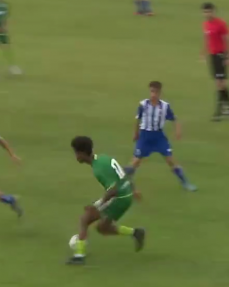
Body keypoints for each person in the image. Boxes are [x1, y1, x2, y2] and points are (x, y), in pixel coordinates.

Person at [67, 136, 145, 265]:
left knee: (85, 219)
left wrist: (97, 204)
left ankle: (79, 256)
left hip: (119, 197)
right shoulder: (103, 158)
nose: (75, 156)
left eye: (75, 153)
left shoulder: (98, 169)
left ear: (80, 153)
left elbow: (113, 190)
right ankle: (136, 233)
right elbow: (122, 174)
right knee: (103, 228)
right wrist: (133, 188)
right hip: (126, 195)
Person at [128, 81, 196, 191]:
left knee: (170, 160)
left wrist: (177, 131)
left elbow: (174, 119)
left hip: (159, 137)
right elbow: (138, 119)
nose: (153, 94)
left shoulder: (165, 106)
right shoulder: (143, 105)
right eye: (151, 91)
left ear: (160, 93)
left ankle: (185, 182)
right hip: (145, 136)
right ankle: (124, 181)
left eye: (156, 92)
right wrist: (135, 133)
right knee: (136, 161)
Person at [201, 2, 229, 121]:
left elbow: (227, 40)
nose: (208, 14)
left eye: (210, 11)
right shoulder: (206, 24)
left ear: (214, 12)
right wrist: (204, 53)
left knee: (220, 84)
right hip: (213, 56)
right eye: (205, 12)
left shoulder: (220, 24)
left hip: (221, 55)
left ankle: (219, 110)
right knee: (221, 83)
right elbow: (207, 39)